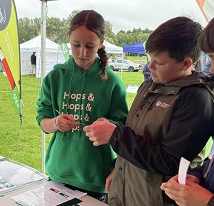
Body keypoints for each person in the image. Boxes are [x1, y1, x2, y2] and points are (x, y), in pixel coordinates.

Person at [83, 16, 214, 206]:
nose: (149, 66)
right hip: (128, 191)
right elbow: (136, 134)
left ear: (186, 64)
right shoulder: (149, 86)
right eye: (149, 58)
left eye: (159, 62)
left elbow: (170, 161)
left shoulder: (196, 99)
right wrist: (120, 173)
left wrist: (115, 136)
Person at [35, 10, 128, 203]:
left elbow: (123, 127)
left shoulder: (112, 83)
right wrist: (56, 122)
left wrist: (108, 127)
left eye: (90, 46)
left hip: (95, 177)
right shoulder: (55, 77)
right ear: (68, 39)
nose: (82, 53)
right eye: (76, 45)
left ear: (101, 42)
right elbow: (43, 121)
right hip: (59, 173)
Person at [160, 17, 214, 206]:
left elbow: (169, 158)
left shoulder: (198, 96)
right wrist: (198, 175)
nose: (212, 69)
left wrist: (207, 200)